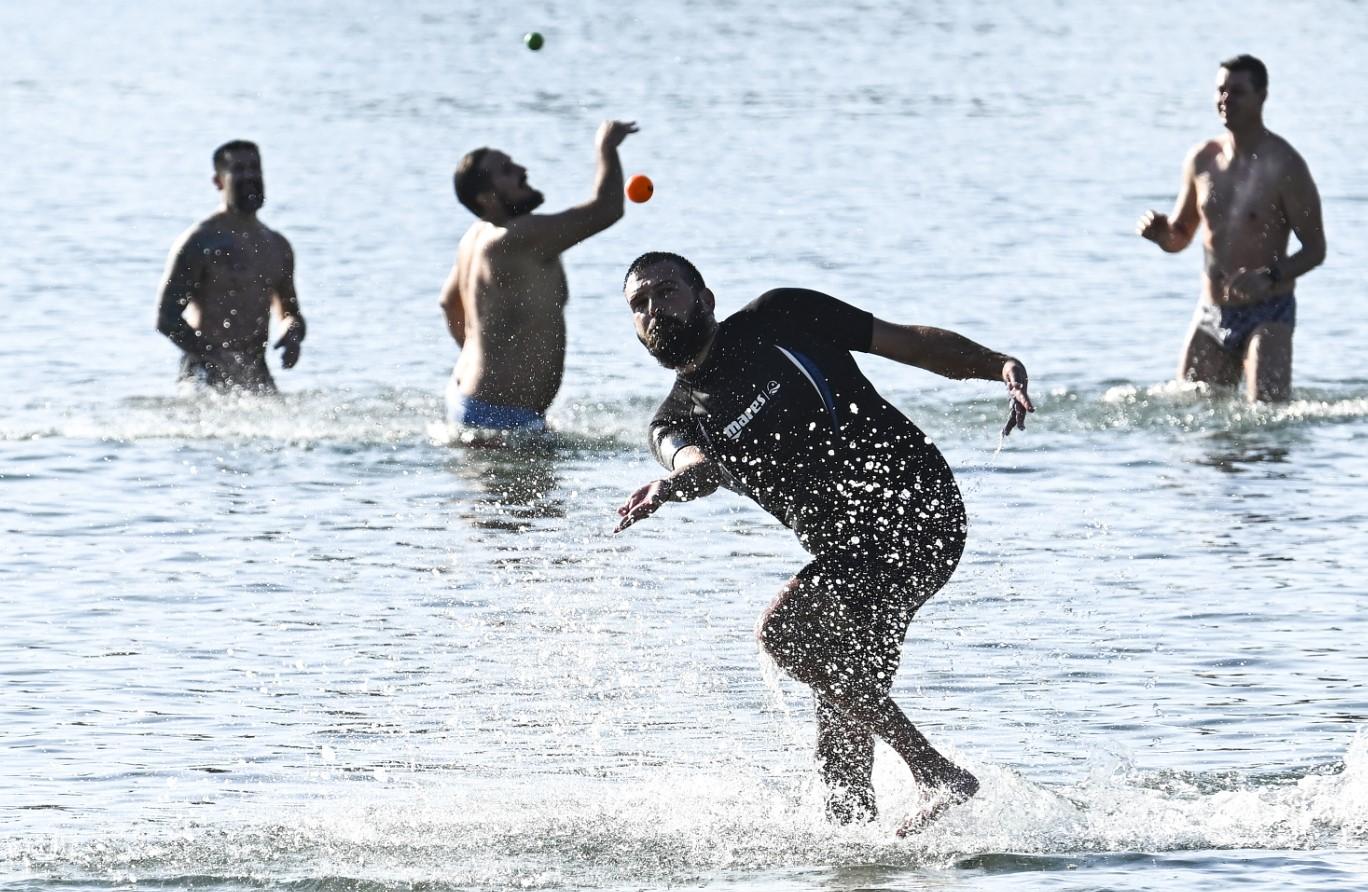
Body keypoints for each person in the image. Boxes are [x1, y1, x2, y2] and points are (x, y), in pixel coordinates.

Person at [612, 252, 1034, 831]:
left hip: (920, 508)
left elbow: (907, 343)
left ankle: (934, 772)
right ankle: (866, 859)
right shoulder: (674, 422)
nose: (655, 309)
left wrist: (997, 366)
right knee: (843, 752)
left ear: (705, 298)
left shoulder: (783, 315)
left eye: (666, 293)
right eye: (640, 305)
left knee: (785, 635)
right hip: (851, 555)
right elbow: (699, 468)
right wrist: (670, 486)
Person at [1137, 54, 1325, 403]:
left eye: (1237, 91)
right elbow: (1180, 237)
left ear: (1262, 96)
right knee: (1192, 422)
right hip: (1211, 312)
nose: (1225, 100)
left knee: (1267, 421)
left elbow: (1316, 249)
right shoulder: (1201, 160)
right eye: (1221, 90)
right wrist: (1162, 235)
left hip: (1269, 311)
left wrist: (1268, 275)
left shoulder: (1285, 165)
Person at [440, 121, 638, 432]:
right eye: (506, 170)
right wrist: (607, 148)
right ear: (485, 199)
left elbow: (448, 303)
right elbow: (607, 210)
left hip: (470, 399)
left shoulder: (474, 236)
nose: (522, 169)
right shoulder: (514, 237)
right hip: (499, 418)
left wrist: (483, 358)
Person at [156, 140, 306, 393]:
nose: (250, 176)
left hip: (257, 373)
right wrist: (215, 357)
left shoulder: (277, 246)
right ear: (218, 181)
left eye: (254, 168)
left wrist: (292, 335)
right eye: (239, 169)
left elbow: (290, 312)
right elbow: (166, 318)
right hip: (204, 377)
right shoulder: (199, 241)